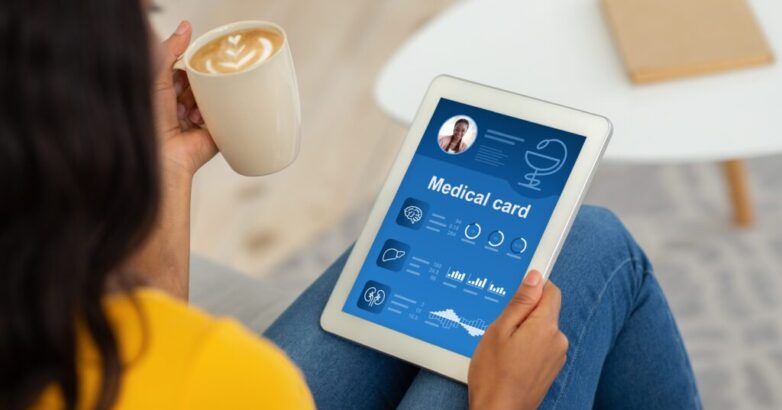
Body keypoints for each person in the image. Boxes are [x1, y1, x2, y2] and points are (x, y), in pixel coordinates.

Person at [0, 1, 702, 409]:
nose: (159, 49)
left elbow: (148, 371)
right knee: (592, 249)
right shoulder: (237, 379)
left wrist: (168, 168)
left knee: (428, 283)